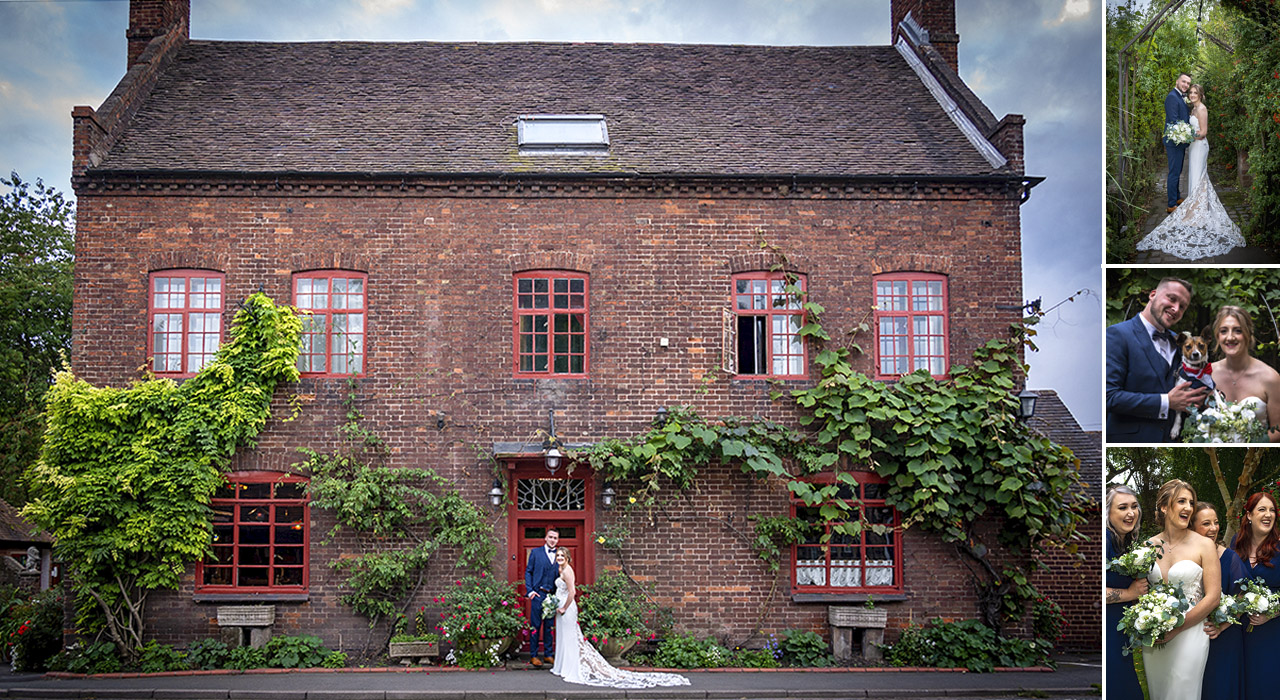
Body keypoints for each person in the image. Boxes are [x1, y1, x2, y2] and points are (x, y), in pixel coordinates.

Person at [550, 548, 689, 688]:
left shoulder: (567, 571)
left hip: (567, 609)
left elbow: (572, 592)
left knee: (570, 637)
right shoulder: (561, 569)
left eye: (562, 555)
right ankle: (562, 666)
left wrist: (564, 608)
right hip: (561, 607)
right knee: (563, 636)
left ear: (567, 557)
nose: (560, 557)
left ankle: (570, 668)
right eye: (558, 555)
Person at [1137, 83, 1246, 260]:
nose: (1193, 95)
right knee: (1194, 177)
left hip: (1200, 146)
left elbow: (1203, 132)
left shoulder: (1202, 109)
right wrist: (1185, 133)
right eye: (1191, 92)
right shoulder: (1193, 109)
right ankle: (1196, 208)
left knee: (1199, 177)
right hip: (1193, 147)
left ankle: (1199, 212)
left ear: (1201, 95)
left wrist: (1186, 135)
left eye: (1196, 93)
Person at [1142, 479, 1220, 700]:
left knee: (1182, 691)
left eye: (1191, 502)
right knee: (1159, 693)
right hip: (1154, 638)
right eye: (1181, 501)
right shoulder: (1147, 547)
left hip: (1191, 632)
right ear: (1165, 507)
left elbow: (1213, 597)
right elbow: (1143, 593)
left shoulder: (1204, 545)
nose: (1188, 507)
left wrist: (1176, 627)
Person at [1106, 277, 1208, 442]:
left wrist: (1201, 400)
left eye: (1182, 306)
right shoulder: (1117, 335)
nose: (1176, 309)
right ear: (1153, 295)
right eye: (1171, 299)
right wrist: (1166, 402)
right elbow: (1109, 396)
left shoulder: (1181, 343)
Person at [1192, 501, 1244, 700]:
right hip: (1191, 635)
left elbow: (1243, 598)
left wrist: (1222, 625)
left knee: (1219, 689)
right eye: (1206, 523)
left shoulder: (1230, 558)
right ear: (1192, 526)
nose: (1213, 528)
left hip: (1223, 638)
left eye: (1216, 522)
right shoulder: (1185, 558)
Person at [1209, 306, 1280, 442]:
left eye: (1238, 331)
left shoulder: (1270, 378)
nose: (1230, 337)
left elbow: (1277, 430)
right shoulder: (1207, 375)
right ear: (1218, 336)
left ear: (1248, 334)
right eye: (1224, 331)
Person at [1235, 492, 1280, 698]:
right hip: (1238, 631)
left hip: (1271, 632)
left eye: (1272, 510)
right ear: (1249, 515)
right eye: (1262, 509)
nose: (1268, 515)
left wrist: (1271, 613)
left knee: (1267, 683)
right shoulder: (1236, 544)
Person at [1105, 485, 1147, 700]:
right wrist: (1131, 593)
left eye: (1134, 507)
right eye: (1122, 507)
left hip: (1122, 630)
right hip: (1109, 630)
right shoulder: (1105, 539)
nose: (1130, 513)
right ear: (1108, 512)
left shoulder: (1126, 543)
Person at [524, 526, 560, 666]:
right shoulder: (535, 553)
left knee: (549, 627)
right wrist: (530, 591)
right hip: (538, 594)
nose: (552, 540)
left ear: (558, 540)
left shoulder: (560, 555)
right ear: (546, 538)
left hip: (552, 596)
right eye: (550, 537)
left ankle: (548, 654)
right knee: (535, 625)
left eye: (555, 538)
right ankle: (534, 655)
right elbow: (529, 572)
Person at [1165, 73, 1192, 212]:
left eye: (1188, 83)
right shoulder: (1172, 97)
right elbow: (1174, 121)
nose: (1186, 85)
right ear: (1177, 81)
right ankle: (1171, 204)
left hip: (1179, 142)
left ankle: (1176, 197)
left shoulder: (1180, 97)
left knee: (1178, 171)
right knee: (1174, 172)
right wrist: (1186, 134)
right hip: (1174, 141)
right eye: (1184, 82)